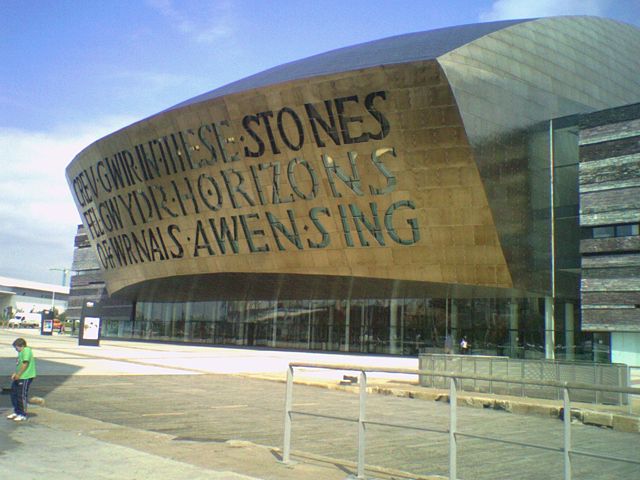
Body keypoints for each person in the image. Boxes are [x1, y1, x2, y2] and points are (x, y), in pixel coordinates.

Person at [7, 338, 36, 422]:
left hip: (26, 376)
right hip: (19, 376)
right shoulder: (21, 352)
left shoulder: (26, 350)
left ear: (22, 346)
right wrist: (15, 373)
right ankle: (17, 411)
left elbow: (25, 364)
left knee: (21, 395)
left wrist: (18, 374)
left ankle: (23, 414)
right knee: (14, 394)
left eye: (16, 347)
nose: (16, 349)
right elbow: (19, 365)